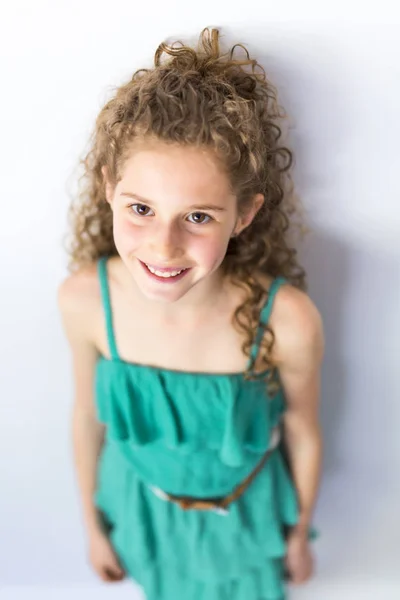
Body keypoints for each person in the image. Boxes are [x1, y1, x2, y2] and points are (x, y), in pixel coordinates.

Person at [58, 26, 324, 600]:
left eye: (198, 217)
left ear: (245, 214)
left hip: (247, 523)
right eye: (142, 209)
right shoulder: (84, 300)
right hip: (141, 510)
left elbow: (303, 431)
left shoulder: (287, 321)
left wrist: (299, 533)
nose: (163, 246)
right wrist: (92, 527)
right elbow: (86, 418)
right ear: (109, 188)